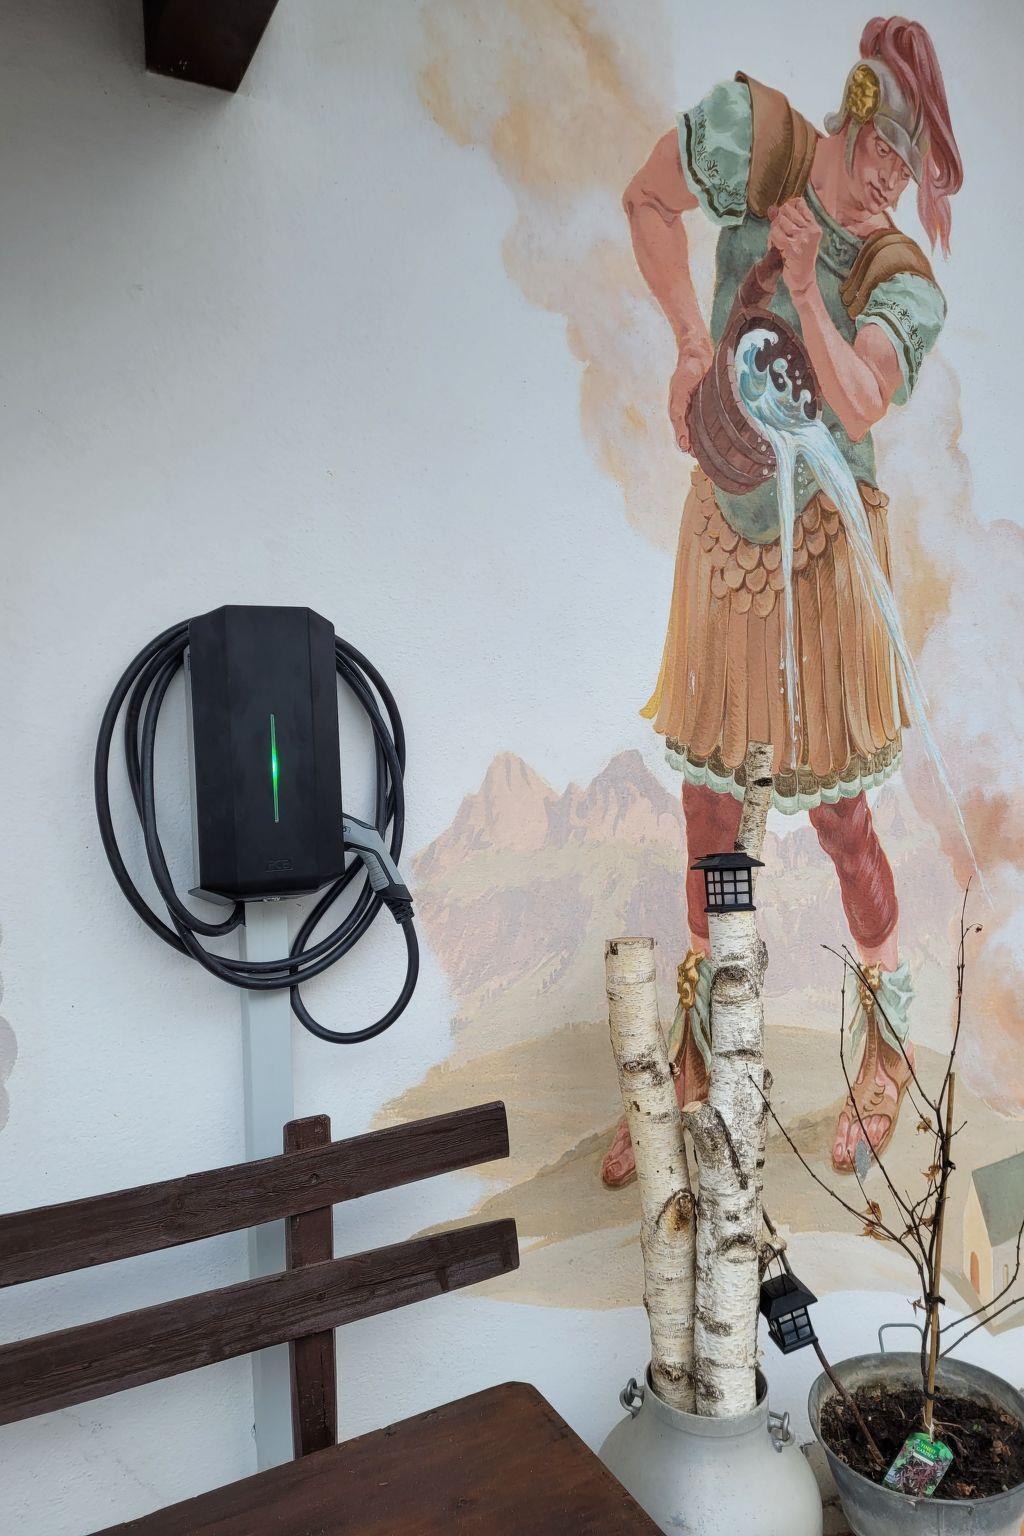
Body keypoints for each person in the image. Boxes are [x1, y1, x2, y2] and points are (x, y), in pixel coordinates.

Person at [601, 17, 963, 1188]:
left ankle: (886, 1048)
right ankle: (702, 1049)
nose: (890, 183)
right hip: (725, 532)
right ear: (854, 116)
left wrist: (807, 286)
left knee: (841, 818)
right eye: (884, 153)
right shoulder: (757, 142)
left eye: (909, 168)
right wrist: (686, 344)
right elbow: (647, 201)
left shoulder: (894, 273)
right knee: (712, 812)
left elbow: (857, 403)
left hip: (822, 551)